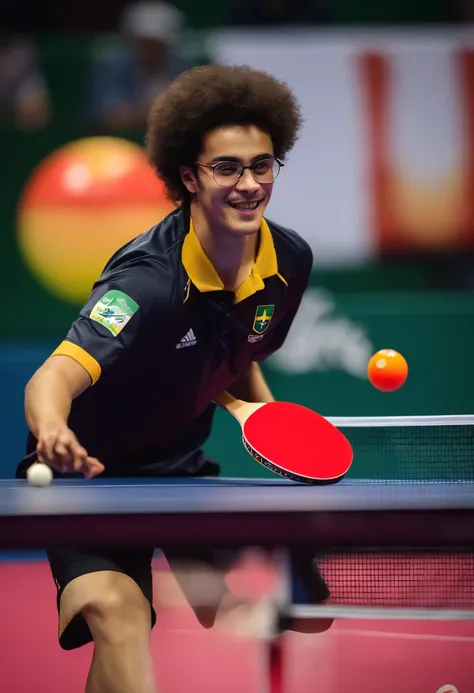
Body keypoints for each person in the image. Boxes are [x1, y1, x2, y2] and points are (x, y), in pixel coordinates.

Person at [18, 63, 331, 693]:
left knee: (252, 610)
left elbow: (236, 351)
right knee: (119, 615)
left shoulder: (288, 261)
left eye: (262, 165)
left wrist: (262, 414)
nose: (249, 184)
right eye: (227, 168)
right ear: (188, 175)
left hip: (177, 473)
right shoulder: (145, 282)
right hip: (88, 478)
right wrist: (52, 428)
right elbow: (54, 374)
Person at [84, 1, 191, 134]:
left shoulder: (179, 65)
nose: (150, 49)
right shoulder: (112, 66)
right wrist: (159, 108)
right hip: (119, 145)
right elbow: (111, 119)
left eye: (157, 43)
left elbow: (190, 117)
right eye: (144, 42)